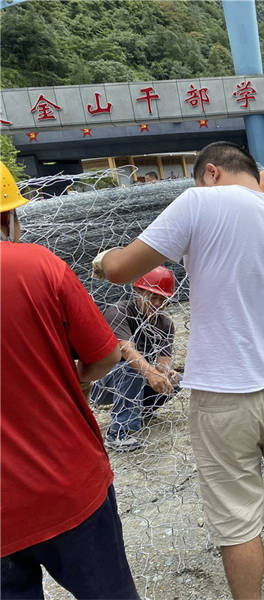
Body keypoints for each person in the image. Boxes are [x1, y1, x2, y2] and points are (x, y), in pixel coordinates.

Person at [92, 142, 264, 599]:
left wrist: (103, 261)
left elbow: (121, 269)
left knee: (237, 518)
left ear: (212, 172)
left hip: (221, 393)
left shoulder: (198, 202)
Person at [0, 162, 139, 599]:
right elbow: (106, 354)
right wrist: (76, 381)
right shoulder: (38, 265)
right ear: (8, 216)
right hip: (67, 483)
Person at [91, 266, 181, 452]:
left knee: (177, 380)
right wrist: (151, 373)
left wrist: (165, 373)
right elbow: (126, 350)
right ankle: (118, 432)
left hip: (137, 380)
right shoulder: (119, 311)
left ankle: (140, 411)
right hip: (104, 382)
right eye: (153, 297)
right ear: (138, 292)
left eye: (163, 299)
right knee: (131, 368)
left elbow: (163, 361)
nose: (158, 303)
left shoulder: (165, 324)